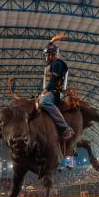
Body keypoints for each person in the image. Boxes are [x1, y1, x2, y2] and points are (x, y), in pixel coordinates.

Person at [40, 35, 75, 170]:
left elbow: (53, 81)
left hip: (54, 93)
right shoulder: (52, 63)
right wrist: (52, 41)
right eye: (47, 55)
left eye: (49, 54)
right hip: (49, 91)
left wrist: (46, 90)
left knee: (44, 102)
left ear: (55, 55)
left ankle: (66, 129)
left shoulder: (57, 64)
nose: (47, 57)